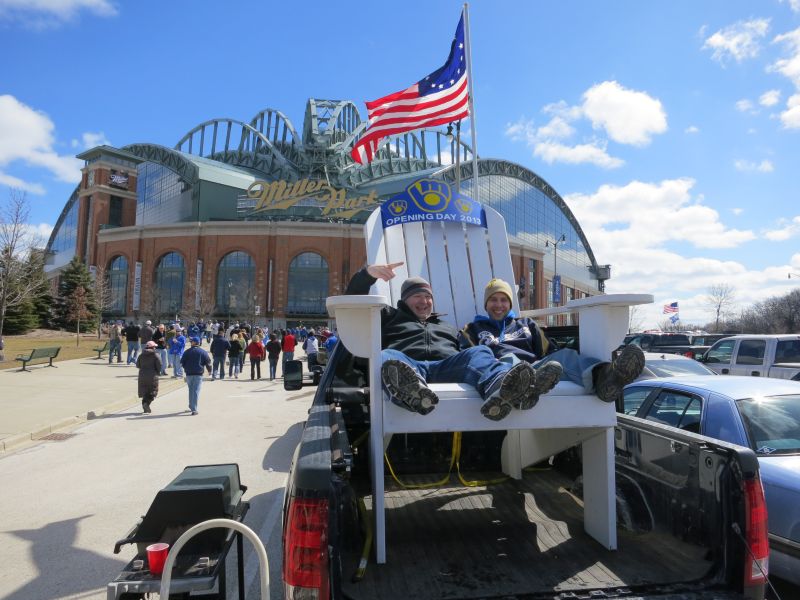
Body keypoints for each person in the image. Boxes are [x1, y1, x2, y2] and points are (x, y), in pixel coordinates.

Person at [345, 263, 554, 421]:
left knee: (479, 351)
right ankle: (412, 392)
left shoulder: (446, 327)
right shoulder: (388, 316)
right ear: (404, 300)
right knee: (387, 356)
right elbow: (352, 304)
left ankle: (501, 386)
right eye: (417, 296)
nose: (424, 301)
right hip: (408, 366)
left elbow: (468, 354)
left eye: (428, 297)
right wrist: (367, 275)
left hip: (446, 367)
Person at [460, 278, 646, 403]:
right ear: (486, 304)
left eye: (504, 300)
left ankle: (606, 378)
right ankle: (526, 382)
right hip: (503, 375)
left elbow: (550, 351)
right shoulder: (473, 329)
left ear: (510, 304)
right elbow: (471, 359)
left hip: (536, 370)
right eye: (493, 300)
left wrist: (568, 351)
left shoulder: (526, 324)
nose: (499, 305)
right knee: (509, 359)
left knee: (564, 356)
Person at [180, 336, 212, 415]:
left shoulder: (187, 352)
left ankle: (191, 406)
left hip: (189, 374)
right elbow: (208, 362)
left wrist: (186, 368)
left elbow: (182, 362)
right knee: (196, 391)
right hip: (198, 374)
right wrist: (209, 371)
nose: (190, 342)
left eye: (191, 341)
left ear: (194, 342)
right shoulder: (203, 352)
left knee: (191, 390)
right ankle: (194, 409)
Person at [136, 340, 162, 413]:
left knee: (145, 391)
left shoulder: (141, 355)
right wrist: (158, 372)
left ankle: (145, 406)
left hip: (142, 375)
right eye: (154, 347)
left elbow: (137, 365)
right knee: (153, 391)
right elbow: (159, 365)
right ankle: (146, 404)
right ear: (153, 347)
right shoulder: (155, 355)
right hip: (152, 375)